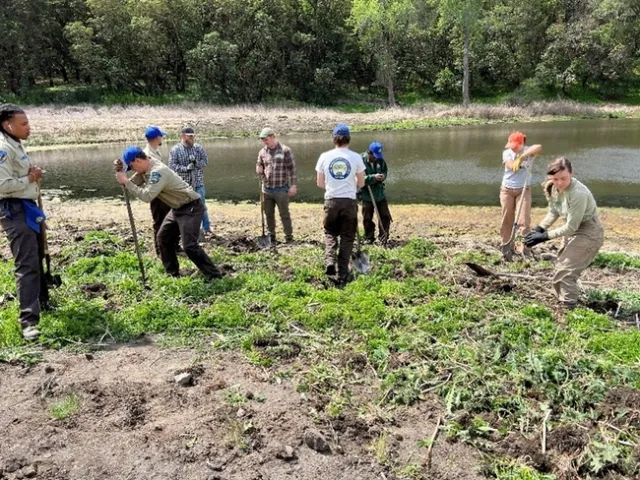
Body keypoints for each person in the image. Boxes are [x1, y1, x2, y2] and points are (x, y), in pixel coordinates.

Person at [115, 147, 223, 281]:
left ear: (137, 160)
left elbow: (147, 196)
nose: (134, 170)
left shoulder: (157, 172)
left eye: (132, 167)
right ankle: (172, 274)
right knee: (163, 238)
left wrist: (126, 182)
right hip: (177, 208)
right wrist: (122, 178)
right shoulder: (145, 167)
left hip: (190, 207)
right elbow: (132, 183)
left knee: (189, 246)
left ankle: (214, 275)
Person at [524, 157, 604, 309]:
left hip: (588, 231)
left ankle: (568, 307)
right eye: (555, 179)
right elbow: (554, 211)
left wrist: (544, 237)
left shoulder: (578, 193)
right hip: (571, 227)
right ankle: (561, 300)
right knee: (560, 265)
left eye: (564, 178)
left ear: (571, 174)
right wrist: (539, 228)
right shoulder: (553, 187)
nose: (559, 183)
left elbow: (571, 227)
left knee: (567, 271)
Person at [0, 104, 44, 341]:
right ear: (8, 125)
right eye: (24, 124)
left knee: (37, 255)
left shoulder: (15, 144)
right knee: (26, 264)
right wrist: (31, 177)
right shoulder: (3, 148)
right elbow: (2, 185)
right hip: (14, 210)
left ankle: (42, 302)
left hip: (27, 207)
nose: (29, 128)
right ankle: (28, 322)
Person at [316, 124, 366, 285]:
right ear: (348, 139)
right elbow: (361, 182)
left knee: (330, 232)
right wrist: (350, 185)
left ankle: (330, 262)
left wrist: (333, 187)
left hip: (331, 200)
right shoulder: (356, 157)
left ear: (334, 139)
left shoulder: (324, 156)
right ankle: (342, 273)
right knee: (347, 237)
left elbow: (319, 183)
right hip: (349, 201)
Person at [500, 131, 542, 260]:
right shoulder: (507, 153)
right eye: (511, 145)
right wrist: (517, 161)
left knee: (524, 221)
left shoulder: (528, 150)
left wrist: (523, 156)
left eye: (514, 145)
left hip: (524, 190)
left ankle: (524, 250)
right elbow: (512, 167)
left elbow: (539, 147)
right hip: (507, 190)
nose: (512, 147)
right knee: (507, 219)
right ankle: (507, 247)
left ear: (521, 143)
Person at [256, 127, 297, 244]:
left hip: (281, 189)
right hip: (266, 189)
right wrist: (258, 168)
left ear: (273, 137)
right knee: (268, 214)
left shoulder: (285, 150)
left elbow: (292, 169)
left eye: (266, 139)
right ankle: (271, 236)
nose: (264, 141)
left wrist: (293, 185)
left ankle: (289, 237)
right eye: (262, 139)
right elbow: (259, 164)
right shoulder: (262, 152)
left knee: (284, 214)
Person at [169, 127, 212, 237]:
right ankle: (185, 229)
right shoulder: (175, 150)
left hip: (198, 182)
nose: (193, 138)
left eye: (193, 136)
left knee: (201, 205)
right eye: (190, 136)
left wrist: (196, 163)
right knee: (184, 208)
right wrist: (186, 168)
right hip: (183, 185)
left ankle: (206, 228)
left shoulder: (198, 148)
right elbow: (172, 166)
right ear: (183, 136)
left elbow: (205, 162)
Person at [143, 125, 175, 255]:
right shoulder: (148, 154)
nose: (162, 138)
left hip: (163, 191)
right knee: (159, 221)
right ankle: (160, 250)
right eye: (161, 136)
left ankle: (170, 246)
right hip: (156, 193)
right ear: (157, 138)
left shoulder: (156, 152)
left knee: (168, 219)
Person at [360, 141, 391, 244]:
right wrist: (372, 178)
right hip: (367, 195)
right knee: (367, 217)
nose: (377, 158)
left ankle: (383, 237)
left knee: (385, 216)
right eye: (375, 156)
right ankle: (369, 237)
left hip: (379, 194)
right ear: (369, 152)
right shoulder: (360, 161)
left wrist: (382, 176)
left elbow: (385, 171)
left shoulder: (380, 161)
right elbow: (358, 179)